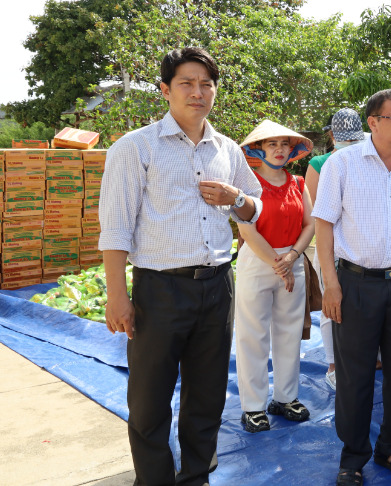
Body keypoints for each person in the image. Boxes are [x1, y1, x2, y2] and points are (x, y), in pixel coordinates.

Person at [100, 47, 263, 486]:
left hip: (217, 285)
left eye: (206, 84)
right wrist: (118, 295)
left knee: (207, 395)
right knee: (150, 399)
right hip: (160, 290)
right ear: (165, 90)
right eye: (187, 83)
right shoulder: (135, 148)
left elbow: (253, 208)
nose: (198, 92)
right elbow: (115, 229)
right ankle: (153, 479)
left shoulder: (227, 149)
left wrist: (237, 199)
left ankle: (196, 476)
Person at [312, 88, 391, 486]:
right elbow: (324, 226)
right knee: (355, 376)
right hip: (355, 284)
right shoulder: (342, 164)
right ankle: (353, 457)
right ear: (373, 122)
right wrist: (330, 285)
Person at [234, 120, 318, 432]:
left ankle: (285, 398)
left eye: (284, 144)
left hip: (292, 259)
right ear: (258, 149)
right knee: (252, 335)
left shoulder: (298, 183)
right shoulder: (248, 184)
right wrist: (277, 263)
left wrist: (293, 256)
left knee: (289, 331)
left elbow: (309, 223)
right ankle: (253, 407)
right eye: (272, 144)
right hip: (258, 261)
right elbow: (247, 229)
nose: (279, 149)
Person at [304, 107, 366, 390]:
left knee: (356, 305)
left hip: (360, 247)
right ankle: (333, 362)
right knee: (332, 304)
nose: (349, 144)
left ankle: (359, 359)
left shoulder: (368, 160)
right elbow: (320, 213)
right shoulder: (320, 163)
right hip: (332, 246)